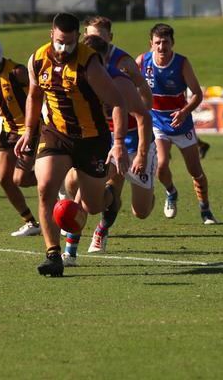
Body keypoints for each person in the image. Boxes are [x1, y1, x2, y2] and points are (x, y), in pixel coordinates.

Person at [14, 12, 129, 277]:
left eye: (69, 43)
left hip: (91, 140)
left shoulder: (90, 65)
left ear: (78, 38)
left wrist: (120, 143)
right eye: (59, 42)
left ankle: (110, 196)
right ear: (51, 36)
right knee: (45, 188)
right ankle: (53, 254)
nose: (63, 48)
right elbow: (33, 95)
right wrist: (29, 131)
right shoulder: (38, 59)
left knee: (93, 205)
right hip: (56, 134)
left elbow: (118, 102)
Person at [60, 33, 155, 262]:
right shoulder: (78, 80)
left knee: (141, 211)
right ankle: (70, 252)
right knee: (82, 195)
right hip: (103, 144)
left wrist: (141, 155)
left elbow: (144, 117)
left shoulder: (119, 82)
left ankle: (117, 193)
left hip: (135, 143)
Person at [137, 23, 217, 224]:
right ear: (151, 44)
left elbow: (198, 94)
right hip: (157, 123)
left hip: (181, 124)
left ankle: (205, 209)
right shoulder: (142, 61)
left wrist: (184, 112)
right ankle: (171, 192)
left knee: (195, 170)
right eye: (157, 43)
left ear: (172, 43)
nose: (161, 47)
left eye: (165, 42)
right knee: (161, 166)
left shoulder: (181, 63)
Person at [0, 35, 41, 237]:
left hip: (31, 130)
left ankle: (56, 176)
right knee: (4, 179)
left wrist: (34, 126)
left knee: (20, 179)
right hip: (8, 132)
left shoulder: (17, 72)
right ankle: (31, 222)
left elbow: (38, 95)